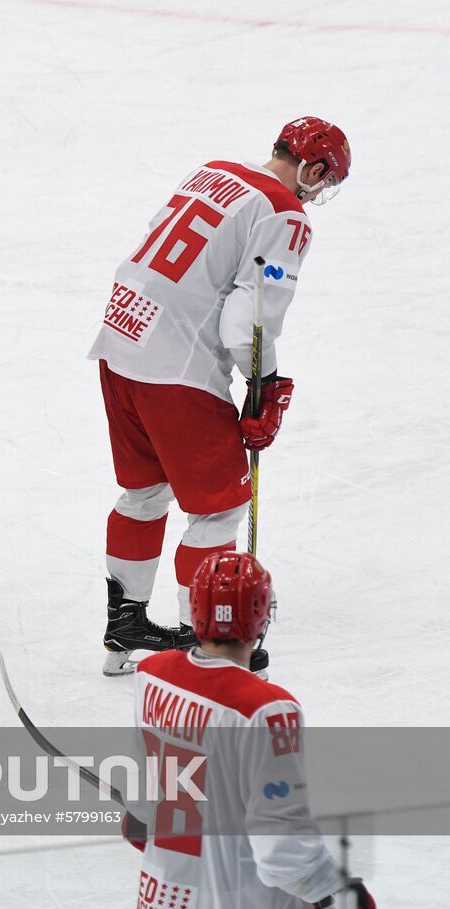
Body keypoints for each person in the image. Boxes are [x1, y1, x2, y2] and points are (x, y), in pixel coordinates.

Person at [88, 117, 351, 676]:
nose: (318, 193)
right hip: (176, 369)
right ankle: (205, 644)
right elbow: (248, 321)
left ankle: (124, 625)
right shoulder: (285, 211)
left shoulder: (211, 171)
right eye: (324, 182)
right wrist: (265, 384)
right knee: (219, 508)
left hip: (120, 341)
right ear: (315, 167)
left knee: (144, 492)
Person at [122, 551, 378, 909]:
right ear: (261, 618)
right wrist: (333, 894)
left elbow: (141, 812)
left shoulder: (152, 674)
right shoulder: (267, 710)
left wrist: (144, 819)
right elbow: (283, 852)